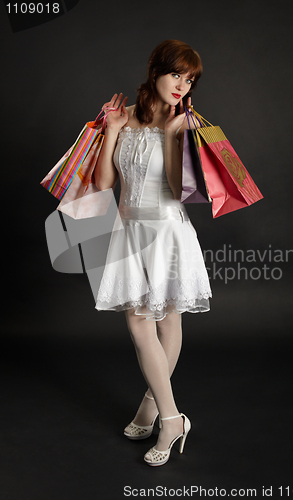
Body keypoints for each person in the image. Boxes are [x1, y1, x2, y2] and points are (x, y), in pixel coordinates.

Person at [94, 40, 212, 466]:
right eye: (177, 74)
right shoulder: (126, 117)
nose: (183, 85)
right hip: (128, 229)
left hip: (165, 230)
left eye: (190, 79)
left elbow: (183, 187)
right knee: (148, 323)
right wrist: (110, 131)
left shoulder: (184, 123)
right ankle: (157, 404)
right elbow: (105, 183)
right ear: (156, 70)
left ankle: (167, 416)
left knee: (158, 321)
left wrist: (173, 133)